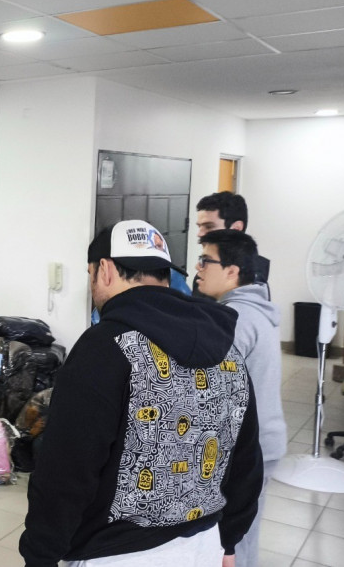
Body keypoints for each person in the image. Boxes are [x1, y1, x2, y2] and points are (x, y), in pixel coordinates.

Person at [20, 220, 263, 567]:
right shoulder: (226, 347)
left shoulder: (104, 347)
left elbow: (66, 470)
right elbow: (245, 456)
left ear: (103, 270)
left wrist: (39, 556)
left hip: (115, 553)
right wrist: (229, 543)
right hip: (204, 546)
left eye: (90, 274)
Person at [195, 230, 286, 567]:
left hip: (249, 448)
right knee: (243, 537)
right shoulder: (255, 309)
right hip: (263, 442)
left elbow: (215, 390)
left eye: (206, 260)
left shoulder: (237, 318)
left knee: (234, 543)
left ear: (232, 271)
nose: (198, 268)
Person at [194, 192, 270, 293]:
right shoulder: (207, 272)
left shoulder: (251, 283)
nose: (200, 234)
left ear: (236, 228)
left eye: (209, 227)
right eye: (199, 227)